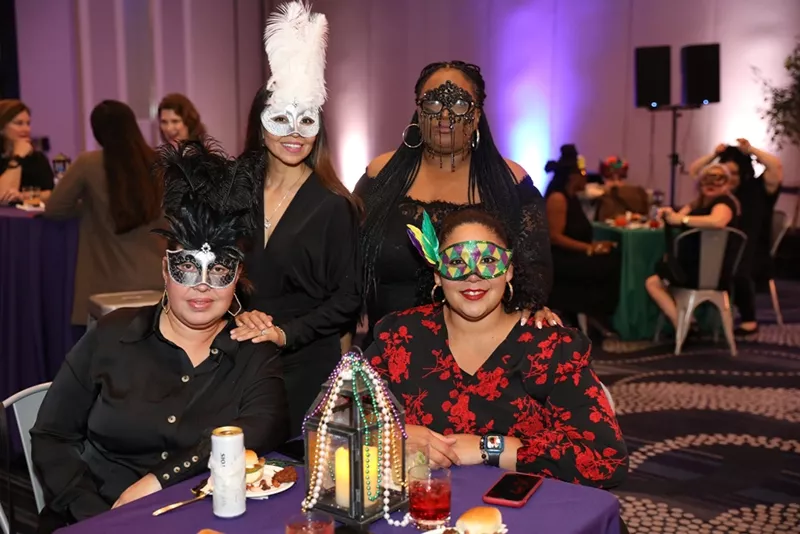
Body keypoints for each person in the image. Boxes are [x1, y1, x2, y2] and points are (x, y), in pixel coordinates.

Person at [30, 140, 288, 532]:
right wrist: (98, 516)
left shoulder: (253, 350)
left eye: (219, 270)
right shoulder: (112, 336)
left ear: (237, 277)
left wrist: (159, 481)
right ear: (165, 271)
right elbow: (52, 436)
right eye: (187, 267)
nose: (202, 285)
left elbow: (263, 426)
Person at [365, 208, 628, 489]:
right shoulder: (400, 336)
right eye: (456, 261)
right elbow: (339, 415)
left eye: (488, 260)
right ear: (438, 274)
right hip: (424, 505)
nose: (473, 276)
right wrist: (392, 434)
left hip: (525, 509)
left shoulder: (551, 347)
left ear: (509, 270)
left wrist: (488, 447)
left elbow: (605, 458)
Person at [228, 2, 361, 437]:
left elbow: (347, 299)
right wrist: (236, 313)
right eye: (280, 118)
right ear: (260, 122)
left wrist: (286, 333)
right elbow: (212, 266)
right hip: (239, 360)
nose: (294, 132)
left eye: (306, 119)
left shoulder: (333, 205)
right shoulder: (233, 193)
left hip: (306, 367)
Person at [355, 61, 558, 346]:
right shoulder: (382, 175)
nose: (445, 115)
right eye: (434, 102)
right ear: (418, 111)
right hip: (388, 350)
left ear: (477, 116)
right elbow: (344, 270)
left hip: (484, 351)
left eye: (460, 104)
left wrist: (533, 307)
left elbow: (535, 270)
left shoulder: (509, 181)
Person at [44, 100, 164, 326]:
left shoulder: (88, 164)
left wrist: (89, 205)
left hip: (108, 285)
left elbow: (54, 208)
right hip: (157, 279)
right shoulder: (161, 164)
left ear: (97, 132)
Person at [688, 139, 782, 335]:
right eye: (726, 173)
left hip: (753, 249)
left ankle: (748, 319)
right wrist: (714, 155)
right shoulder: (719, 192)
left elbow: (776, 166)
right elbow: (695, 171)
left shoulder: (758, 188)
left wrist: (751, 150)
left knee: (737, 266)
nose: (730, 178)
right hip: (721, 247)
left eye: (734, 173)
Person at [645, 163, 741, 329]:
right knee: (659, 275)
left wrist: (683, 220)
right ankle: (687, 323)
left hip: (709, 272)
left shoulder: (724, 203)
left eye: (718, 179)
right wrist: (669, 214)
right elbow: (676, 217)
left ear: (727, 184)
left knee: (653, 282)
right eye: (707, 179)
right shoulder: (698, 203)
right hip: (696, 267)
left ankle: (683, 325)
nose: (711, 184)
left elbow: (717, 221)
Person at [545, 154, 620, 327]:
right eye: (583, 173)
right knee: (609, 265)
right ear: (572, 176)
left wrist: (595, 246)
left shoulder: (573, 198)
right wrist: (589, 248)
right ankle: (595, 315)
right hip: (560, 258)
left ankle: (598, 316)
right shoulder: (558, 199)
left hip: (572, 254)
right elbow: (555, 237)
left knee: (613, 256)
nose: (586, 177)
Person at [0, 99, 54, 204]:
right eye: (19, 123)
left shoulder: (37, 158)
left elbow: (51, 193)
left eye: (28, 123)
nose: (26, 129)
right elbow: (2, 196)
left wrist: (23, 196)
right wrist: (18, 157)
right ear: (2, 128)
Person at [594, 156, 649, 221]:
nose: (616, 183)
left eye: (620, 179)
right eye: (611, 179)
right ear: (603, 180)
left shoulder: (636, 194)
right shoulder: (599, 195)